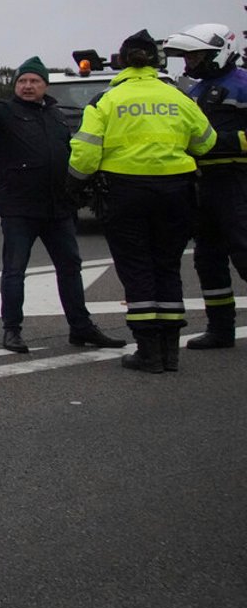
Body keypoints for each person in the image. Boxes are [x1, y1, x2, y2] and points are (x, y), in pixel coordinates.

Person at [0, 57, 124, 352]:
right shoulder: (5, 112)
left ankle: (80, 327)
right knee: (15, 270)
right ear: (15, 85)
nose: (27, 86)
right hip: (20, 208)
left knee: (70, 268)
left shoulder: (56, 115)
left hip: (58, 208)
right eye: (22, 81)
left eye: (34, 81)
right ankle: (12, 331)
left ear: (45, 85)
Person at [68, 30, 217, 373]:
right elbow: (206, 143)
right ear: (155, 60)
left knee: (137, 269)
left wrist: (73, 184)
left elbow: (86, 155)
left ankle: (148, 351)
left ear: (122, 60)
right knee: (167, 266)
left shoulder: (107, 99)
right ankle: (170, 353)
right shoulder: (178, 97)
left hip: (126, 194)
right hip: (176, 193)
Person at [161, 23, 247, 349]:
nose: (189, 63)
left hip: (237, 181)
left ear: (217, 52)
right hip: (203, 184)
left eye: (195, 56)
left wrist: (219, 142)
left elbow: (214, 140)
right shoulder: (194, 91)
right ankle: (221, 329)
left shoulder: (242, 85)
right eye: (187, 56)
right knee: (208, 259)